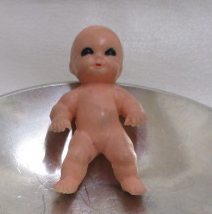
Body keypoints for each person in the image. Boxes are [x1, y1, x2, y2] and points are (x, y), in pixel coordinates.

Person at [49, 26, 147, 195]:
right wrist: (60, 118)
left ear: (120, 68)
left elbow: (131, 104)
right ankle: (70, 178)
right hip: (85, 135)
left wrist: (135, 113)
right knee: (75, 156)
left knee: (125, 155)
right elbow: (62, 107)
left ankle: (130, 178)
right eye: (87, 52)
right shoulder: (77, 94)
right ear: (72, 66)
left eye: (109, 53)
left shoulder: (116, 92)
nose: (99, 58)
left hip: (114, 134)